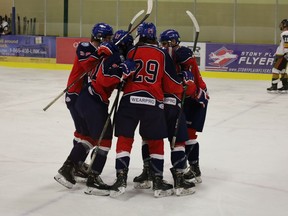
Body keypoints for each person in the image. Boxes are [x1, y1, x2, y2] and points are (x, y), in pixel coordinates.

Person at [109, 22, 185, 198]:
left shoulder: (130, 52)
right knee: (155, 140)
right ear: (154, 36)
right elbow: (172, 85)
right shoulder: (161, 54)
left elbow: (120, 79)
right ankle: (158, 181)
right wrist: (183, 83)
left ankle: (121, 179)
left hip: (129, 100)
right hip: (153, 102)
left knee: (124, 139)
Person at [54, 22, 115, 189]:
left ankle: (75, 165)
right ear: (100, 37)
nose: (109, 41)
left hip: (84, 96)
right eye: (107, 38)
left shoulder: (101, 52)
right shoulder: (85, 46)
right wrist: (103, 52)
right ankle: (70, 167)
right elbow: (88, 63)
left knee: (83, 133)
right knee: (86, 135)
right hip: (75, 95)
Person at [80, 30, 135, 196]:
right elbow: (105, 78)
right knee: (104, 141)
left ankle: (73, 169)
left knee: (95, 138)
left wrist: (121, 79)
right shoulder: (115, 56)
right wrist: (122, 74)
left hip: (91, 97)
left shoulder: (112, 55)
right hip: (94, 99)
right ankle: (92, 179)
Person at [159, 29, 209, 184]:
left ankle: (194, 168)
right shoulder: (166, 57)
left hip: (196, 99)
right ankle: (189, 168)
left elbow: (192, 86)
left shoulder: (184, 55)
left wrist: (186, 63)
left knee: (188, 135)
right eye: (165, 43)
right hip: (182, 98)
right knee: (182, 134)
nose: (168, 46)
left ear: (177, 42)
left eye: (171, 42)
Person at [267, 19, 288, 93]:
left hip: (281, 55)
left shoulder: (285, 33)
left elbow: (286, 44)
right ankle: (285, 86)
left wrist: (286, 53)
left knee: (275, 70)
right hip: (283, 55)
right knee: (282, 71)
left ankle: (274, 86)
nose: (281, 25)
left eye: (283, 24)